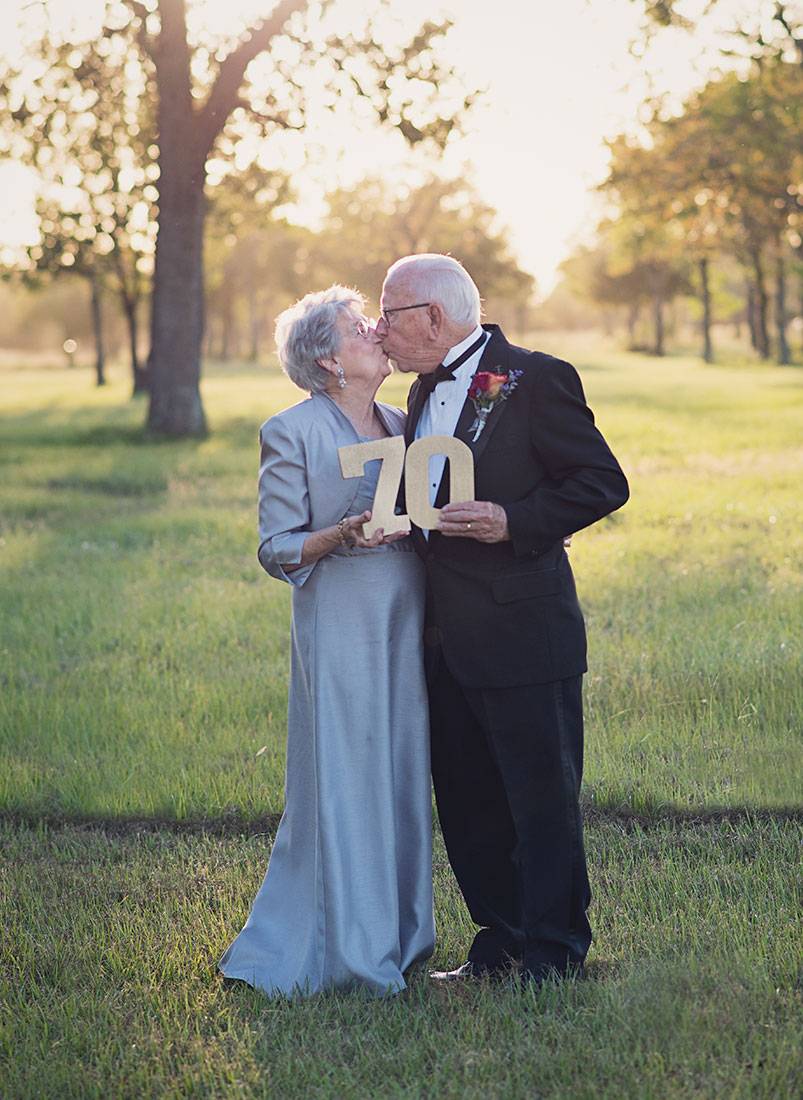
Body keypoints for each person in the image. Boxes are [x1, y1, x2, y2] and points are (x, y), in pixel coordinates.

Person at [376, 254, 629, 984]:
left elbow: (602, 482)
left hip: (523, 632)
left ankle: (554, 954)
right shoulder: (420, 392)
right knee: (469, 803)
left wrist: (513, 519)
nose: (379, 326)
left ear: (432, 316)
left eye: (388, 312)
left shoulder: (537, 376)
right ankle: (499, 941)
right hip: (443, 638)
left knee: (540, 799)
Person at [218, 286, 434, 998]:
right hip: (339, 615)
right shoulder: (291, 430)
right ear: (326, 359)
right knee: (347, 769)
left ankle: (401, 937)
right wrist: (339, 534)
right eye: (356, 326)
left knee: (401, 764)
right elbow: (274, 546)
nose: (375, 329)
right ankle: (348, 948)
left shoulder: (407, 420)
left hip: (407, 614)